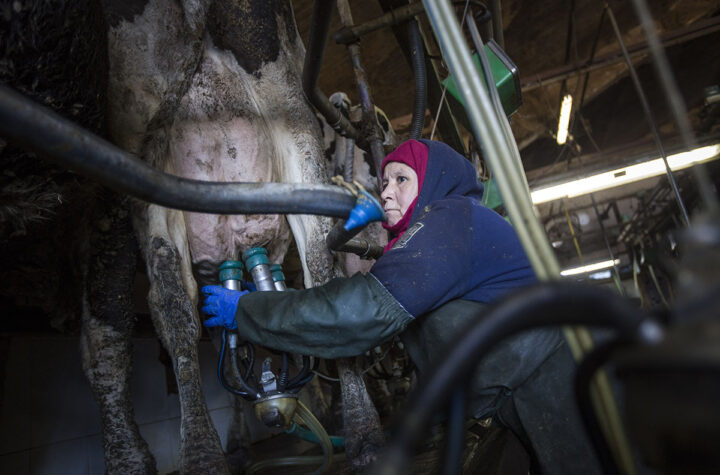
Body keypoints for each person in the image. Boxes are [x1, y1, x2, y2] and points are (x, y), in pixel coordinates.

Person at [202, 139, 601, 474]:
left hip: (555, 382)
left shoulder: (450, 218)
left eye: (401, 179)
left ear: (433, 182)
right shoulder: (445, 227)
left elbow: (361, 313)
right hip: (520, 395)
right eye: (384, 181)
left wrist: (249, 310)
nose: (386, 192)